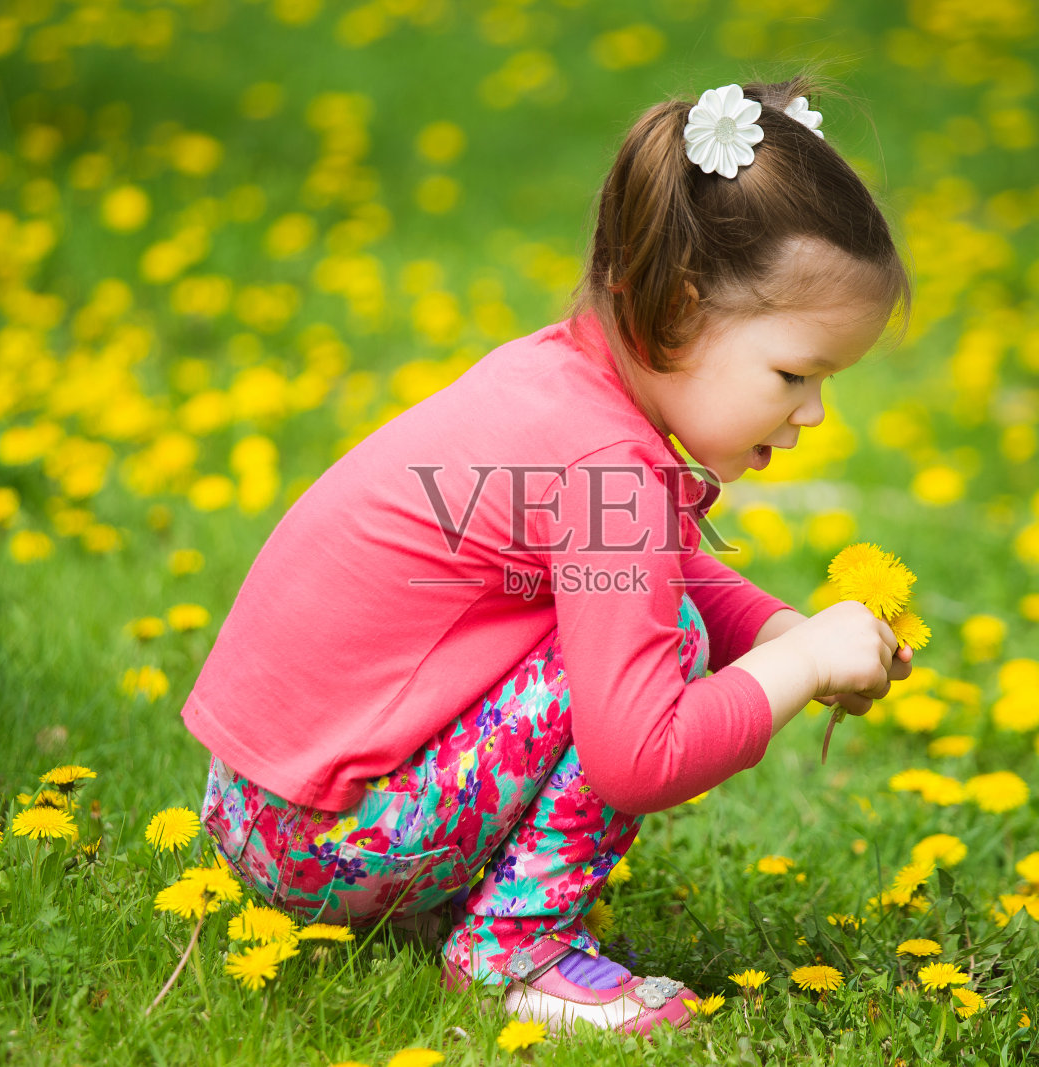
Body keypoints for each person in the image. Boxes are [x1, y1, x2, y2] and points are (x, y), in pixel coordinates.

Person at [181, 74, 915, 1038]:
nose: (814, 412)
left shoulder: (558, 382)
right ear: (682, 309)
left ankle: (450, 900)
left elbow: (650, 572)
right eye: (795, 373)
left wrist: (780, 629)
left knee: (651, 622)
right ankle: (511, 953)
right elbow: (638, 755)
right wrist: (804, 662)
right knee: (660, 656)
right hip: (322, 842)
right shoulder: (610, 465)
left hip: (258, 809)